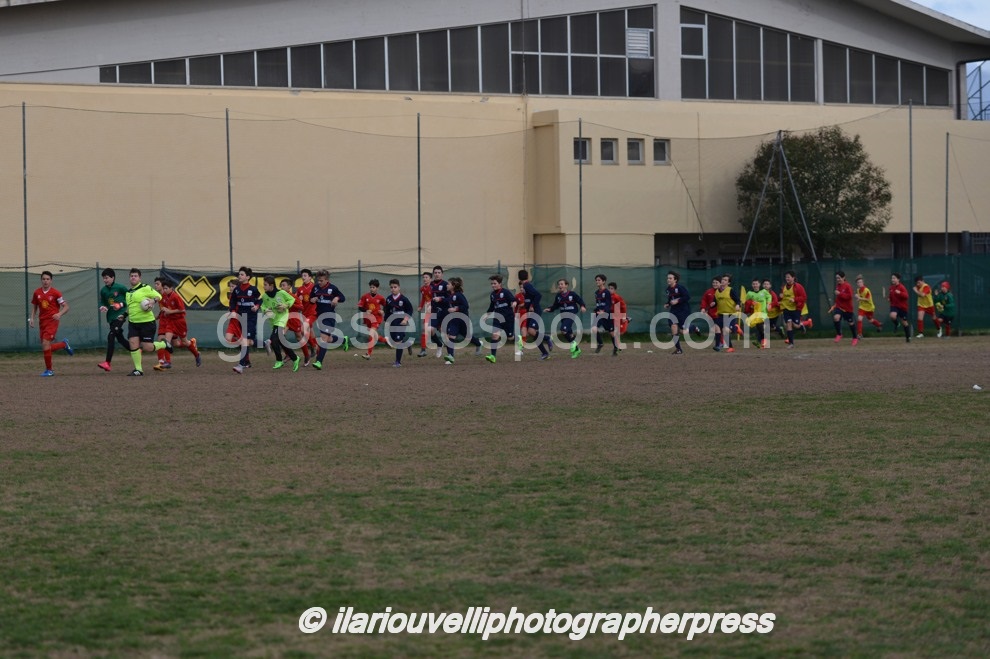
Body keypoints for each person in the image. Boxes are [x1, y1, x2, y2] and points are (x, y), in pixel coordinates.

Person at [124, 268, 171, 376]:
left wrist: (153, 300)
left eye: (135, 276)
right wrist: (124, 315)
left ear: (140, 278)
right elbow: (130, 308)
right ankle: (138, 370)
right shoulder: (128, 292)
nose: (133, 278)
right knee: (133, 344)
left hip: (147, 322)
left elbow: (159, 296)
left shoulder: (145, 287)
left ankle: (164, 344)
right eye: (131, 276)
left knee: (147, 347)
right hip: (133, 323)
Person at [29, 270, 74, 377]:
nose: (45, 281)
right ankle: (63, 344)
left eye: (48, 279)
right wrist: (32, 318)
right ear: (41, 280)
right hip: (42, 322)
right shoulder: (37, 293)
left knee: (45, 343)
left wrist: (59, 314)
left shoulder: (56, 293)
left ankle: (49, 370)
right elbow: (35, 307)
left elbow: (66, 307)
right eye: (44, 279)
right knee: (46, 346)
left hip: (52, 321)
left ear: (51, 281)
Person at [153, 277, 201, 370]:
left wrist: (169, 311)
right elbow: (165, 308)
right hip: (170, 322)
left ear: (171, 288)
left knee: (184, 342)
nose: (165, 290)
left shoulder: (175, 296)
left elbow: (182, 309)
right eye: (164, 288)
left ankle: (196, 354)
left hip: (179, 322)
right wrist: (162, 314)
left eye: (166, 288)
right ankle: (167, 362)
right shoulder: (164, 296)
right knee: (166, 341)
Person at [259, 275, 301, 371]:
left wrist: (285, 305)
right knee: (281, 341)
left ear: (271, 285)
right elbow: (263, 306)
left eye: (265, 285)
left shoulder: (281, 293)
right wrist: (265, 310)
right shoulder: (265, 296)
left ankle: (279, 360)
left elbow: (292, 299)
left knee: (274, 339)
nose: (264, 287)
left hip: (282, 318)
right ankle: (295, 358)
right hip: (273, 319)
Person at [309, 268, 348, 371]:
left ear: (327, 280)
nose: (319, 282)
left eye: (321, 280)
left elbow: (343, 297)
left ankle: (319, 361)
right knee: (328, 339)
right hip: (320, 316)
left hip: (329, 316)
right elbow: (310, 299)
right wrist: (312, 300)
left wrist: (336, 298)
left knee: (323, 339)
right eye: (318, 280)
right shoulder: (315, 288)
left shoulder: (333, 288)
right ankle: (343, 340)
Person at [229, 266, 262, 374]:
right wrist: (233, 311)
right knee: (246, 341)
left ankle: (241, 365)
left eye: (242, 274)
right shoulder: (237, 290)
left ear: (247, 277)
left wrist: (256, 306)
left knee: (245, 341)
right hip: (240, 318)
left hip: (251, 318)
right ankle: (265, 343)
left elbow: (259, 300)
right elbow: (233, 302)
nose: (239, 276)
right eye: (239, 274)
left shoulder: (253, 289)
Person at [443, 276, 482, 364]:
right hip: (454, 319)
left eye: (448, 284)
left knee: (467, 337)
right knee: (450, 336)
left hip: (462, 319)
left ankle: (479, 344)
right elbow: (447, 301)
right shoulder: (450, 295)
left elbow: (466, 306)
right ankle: (450, 357)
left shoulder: (459, 295)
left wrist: (455, 309)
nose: (447, 285)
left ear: (453, 286)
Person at [544, 278, 587, 358]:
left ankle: (573, 343)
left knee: (563, 330)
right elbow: (555, 305)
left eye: (562, 284)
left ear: (566, 285)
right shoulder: (558, 296)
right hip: (563, 316)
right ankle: (577, 350)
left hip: (571, 315)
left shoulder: (572, 294)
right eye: (559, 284)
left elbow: (580, 300)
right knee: (569, 334)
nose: (560, 286)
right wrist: (550, 309)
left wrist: (582, 306)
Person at [97, 267, 129, 372]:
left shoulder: (120, 287)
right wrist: (102, 306)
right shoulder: (103, 290)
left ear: (113, 277)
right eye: (103, 278)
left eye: (106, 278)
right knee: (120, 339)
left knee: (111, 336)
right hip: (111, 317)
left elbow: (130, 298)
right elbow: (102, 302)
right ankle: (136, 350)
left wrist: (121, 304)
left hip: (120, 316)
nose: (105, 280)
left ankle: (107, 363)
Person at [481, 274, 517, 363]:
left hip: (508, 318)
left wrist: (514, 303)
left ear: (500, 284)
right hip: (497, 318)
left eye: (494, 283)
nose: (493, 285)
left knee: (510, 337)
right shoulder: (492, 295)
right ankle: (493, 356)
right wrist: (487, 315)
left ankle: (518, 339)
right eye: (492, 284)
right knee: (495, 335)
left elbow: (514, 299)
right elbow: (492, 306)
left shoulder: (505, 292)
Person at [517, 269, 551, 360]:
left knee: (531, 331)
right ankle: (545, 350)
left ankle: (546, 342)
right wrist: (525, 305)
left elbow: (538, 295)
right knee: (532, 333)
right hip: (530, 312)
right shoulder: (525, 285)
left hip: (535, 311)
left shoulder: (527, 285)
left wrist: (532, 305)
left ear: (519, 277)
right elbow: (530, 298)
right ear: (527, 276)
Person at [383, 278, 415, 367]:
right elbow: (387, 311)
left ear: (399, 288)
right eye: (391, 287)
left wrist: (405, 320)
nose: (393, 289)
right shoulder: (388, 299)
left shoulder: (404, 299)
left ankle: (398, 362)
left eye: (395, 287)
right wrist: (386, 320)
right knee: (393, 341)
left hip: (401, 322)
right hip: (392, 322)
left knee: (398, 342)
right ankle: (407, 344)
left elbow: (410, 310)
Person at [223, 279, 250, 368]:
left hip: (240, 322)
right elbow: (232, 308)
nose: (231, 288)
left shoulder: (242, 296)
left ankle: (247, 361)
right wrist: (230, 312)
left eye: (233, 286)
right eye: (230, 286)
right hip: (233, 322)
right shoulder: (231, 296)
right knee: (228, 339)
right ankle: (246, 358)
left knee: (244, 342)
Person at [295, 268, 320, 366]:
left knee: (302, 329)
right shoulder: (300, 289)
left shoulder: (315, 287)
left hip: (313, 313)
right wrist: (299, 299)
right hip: (304, 314)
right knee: (311, 334)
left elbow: (320, 297)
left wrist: (316, 299)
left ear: (310, 277)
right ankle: (318, 353)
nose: (303, 277)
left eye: (305, 275)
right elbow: (296, 301)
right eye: (302, 276)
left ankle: (313, 346)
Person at [590, 274, 619, 356]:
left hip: (607, 315)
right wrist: (596, 309)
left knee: (611, 332)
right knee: (594, 329)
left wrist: (605, 311)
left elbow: (608, 304)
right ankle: (600, 343)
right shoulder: (596, 293)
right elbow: (598, 304)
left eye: (599, 280)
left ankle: (616, 347)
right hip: (599, 314)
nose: (597, 281)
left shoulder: (607, 292)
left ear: (603, 281)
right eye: (596, 280)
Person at [358, 279, 386, 360]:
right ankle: (386, 341)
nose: (372, 289)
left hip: (377, 319)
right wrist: (366, 310)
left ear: (377, 288)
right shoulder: (365, 296)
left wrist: (383, 311)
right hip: (368, 319)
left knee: (371, 334)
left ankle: (368, 354)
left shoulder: (380, 298)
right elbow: (360, 307)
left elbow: (386, 306)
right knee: (375, 336)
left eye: (373, 287)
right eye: (371, 287)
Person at [779, 271, 807, 349]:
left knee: (796, 325)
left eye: (788, 277)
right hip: (786, 309)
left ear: (793, 278)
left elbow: (804, 297)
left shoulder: (798, 286)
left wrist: (795, 299)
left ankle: (801, 326)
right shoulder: (783, 287)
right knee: (788, 323)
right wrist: (780, 297)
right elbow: (781, 297)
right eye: (786, 277)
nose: (787, 278)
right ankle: (791, 343)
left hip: (795, 309)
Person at [664, 271, 691, 354]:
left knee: (684, 331)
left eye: (670, 278)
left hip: (683, 310)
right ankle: (678, 349)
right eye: (668, 278)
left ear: (675, 280)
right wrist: (668, 304)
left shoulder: (680, 288)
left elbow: (687, 297)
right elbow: (670, 299)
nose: (668, 279)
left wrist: (678, 301)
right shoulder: (668, 289)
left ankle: (694, 328)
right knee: (673, 327)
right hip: (674, 311)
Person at [428, 265, 451, 358]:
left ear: (442, 274)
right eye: (435, 273)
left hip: (444, 312)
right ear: (433, 274)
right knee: (430, 330)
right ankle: (439, 344)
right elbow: (429, 297)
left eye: (439, 273)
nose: (437, 274)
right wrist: (428, 305)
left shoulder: (446, 285)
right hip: (434, 312)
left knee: (444, 333)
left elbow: (450, 298)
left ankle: (450, 355)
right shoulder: (430, 285)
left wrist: (440, 299)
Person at [714, 274, 741, 352]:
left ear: (728, 283)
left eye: (725, 280)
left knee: (725, 330)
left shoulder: (730, 290)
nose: (723, 281)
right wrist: (712, 304)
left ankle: (736, 329)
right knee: (716, 328)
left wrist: (738, 305)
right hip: (721, 314)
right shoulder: (717, 291)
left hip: (730, 314)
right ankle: (718, 345)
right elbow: (715, 302)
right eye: (723, 279)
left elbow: (738, 300)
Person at [831, 270, 858, 345]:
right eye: (837, 278)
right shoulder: (838, 286)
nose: (838, 279)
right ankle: (839, 334)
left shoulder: (847, 286)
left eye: (839, 278)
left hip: (847, 308)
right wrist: (835, 304)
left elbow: (849, 296)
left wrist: (840, 294)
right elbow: (838, 298)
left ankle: (855, 338)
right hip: (839, 307)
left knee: (851, 323)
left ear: (843, 277)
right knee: (836, 317)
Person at [744, 277, 771, 348]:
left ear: (759, 284)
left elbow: (769, 297)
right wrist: (751, 305)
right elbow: (746, 302)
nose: (755, 285)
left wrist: (768, 303)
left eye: (756, 284)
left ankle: (763, 341)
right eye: (753, 284)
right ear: (752, 285)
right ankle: (761, 341)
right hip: (755, 313)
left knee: (760, 325)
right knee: (757, 327)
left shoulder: (764, 291)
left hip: (763, 313)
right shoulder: (749, 293)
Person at [887, 272, 912, 343]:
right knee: (892, 316)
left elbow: (906, 296)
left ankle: (908, 337)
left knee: (904, 322)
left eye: (894, 278)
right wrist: (889, 298)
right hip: (894, 306)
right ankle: (897, 324)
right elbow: (891, 296)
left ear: (898, 279)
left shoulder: (901, 287)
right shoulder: (891, 288)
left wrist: (900, 293)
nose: (892, 279)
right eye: (892, 278)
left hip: (902, 307)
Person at [700, 276, 722, 351]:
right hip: (711, 314)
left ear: (721, 283)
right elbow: (704, 300)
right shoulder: (708, 292)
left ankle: (718, 345)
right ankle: (720, 343)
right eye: (713, 282)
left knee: (719, 329)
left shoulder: (723, 292)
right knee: (715, 329)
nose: (714, 284)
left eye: (716, 282)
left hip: (720, 314)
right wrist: (703, 308)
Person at [416, 271, 432, 357]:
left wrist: (432, 304)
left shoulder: (433, 288)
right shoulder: (422, 289)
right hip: (428, 311)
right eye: (424, 277)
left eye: (426, 277)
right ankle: (423, 350)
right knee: (424, 329)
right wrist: (420, 306)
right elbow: (423, 299)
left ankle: (443, 346)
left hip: (436, 311)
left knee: (441, 329)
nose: (425, 279)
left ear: (430, 279)